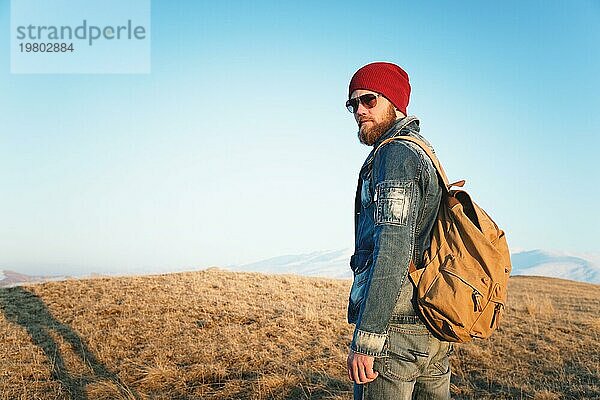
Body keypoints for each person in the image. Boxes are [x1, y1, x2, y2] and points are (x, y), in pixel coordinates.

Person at [345, 62, 453, 400]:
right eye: (353, 104)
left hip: (396, 334)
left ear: (394, 102)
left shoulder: (396, 155)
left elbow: (392, 248)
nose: (359, 111)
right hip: (432, 327)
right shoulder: (423, 152)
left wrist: (368, 337)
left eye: (369, 100)